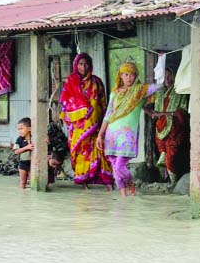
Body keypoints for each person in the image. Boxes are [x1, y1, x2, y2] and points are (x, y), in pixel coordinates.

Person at [96, 62, 160, 197]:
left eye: (132, 75)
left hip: (127, 135)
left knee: (120, 166)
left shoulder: (139, 91)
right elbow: (108, 114)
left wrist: (162, 61)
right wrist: (100, 135)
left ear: (136, 76)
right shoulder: (114, 93)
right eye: (126, 74)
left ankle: (130, 184)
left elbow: (158, 85)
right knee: (114, 166)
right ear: (120, 75)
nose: (129, 78)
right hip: (111, 134)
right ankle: (123, 197)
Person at [60, 53, 113, 190]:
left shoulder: (96, 81)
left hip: (96, 125)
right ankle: (84, 184)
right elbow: (65, 104)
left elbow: (103, 102)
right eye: (80, 64)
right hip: (78, 127)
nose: (83, 67)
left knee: (100, 152)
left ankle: (108, 184)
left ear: (90, 65)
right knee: (82, 154)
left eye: (86, 64)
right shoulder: (70, 82)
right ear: (75, 65)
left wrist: (103, 121)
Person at [144, 68, 190, 186]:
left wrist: (165, 114)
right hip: (160, 129)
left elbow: (183, 111)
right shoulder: (159, 92)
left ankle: (174, 183)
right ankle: (167, 181)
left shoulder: (180, 91)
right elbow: (148, 107)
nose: (167, 80)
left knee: (171, 157)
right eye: (164, 77)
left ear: (174, 76)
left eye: (169, 76)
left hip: (175, 129)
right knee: (162, 156)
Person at [13, 117, 34, 189]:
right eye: (18, 129)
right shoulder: (19, 139)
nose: (19, 131)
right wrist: (26, 147)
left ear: (29, 129)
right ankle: (22, 196)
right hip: (23, 163)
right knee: (22, 182)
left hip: (33, 163)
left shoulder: (34, 137)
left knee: (33, 182)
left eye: (21, 129)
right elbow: (16, 151)